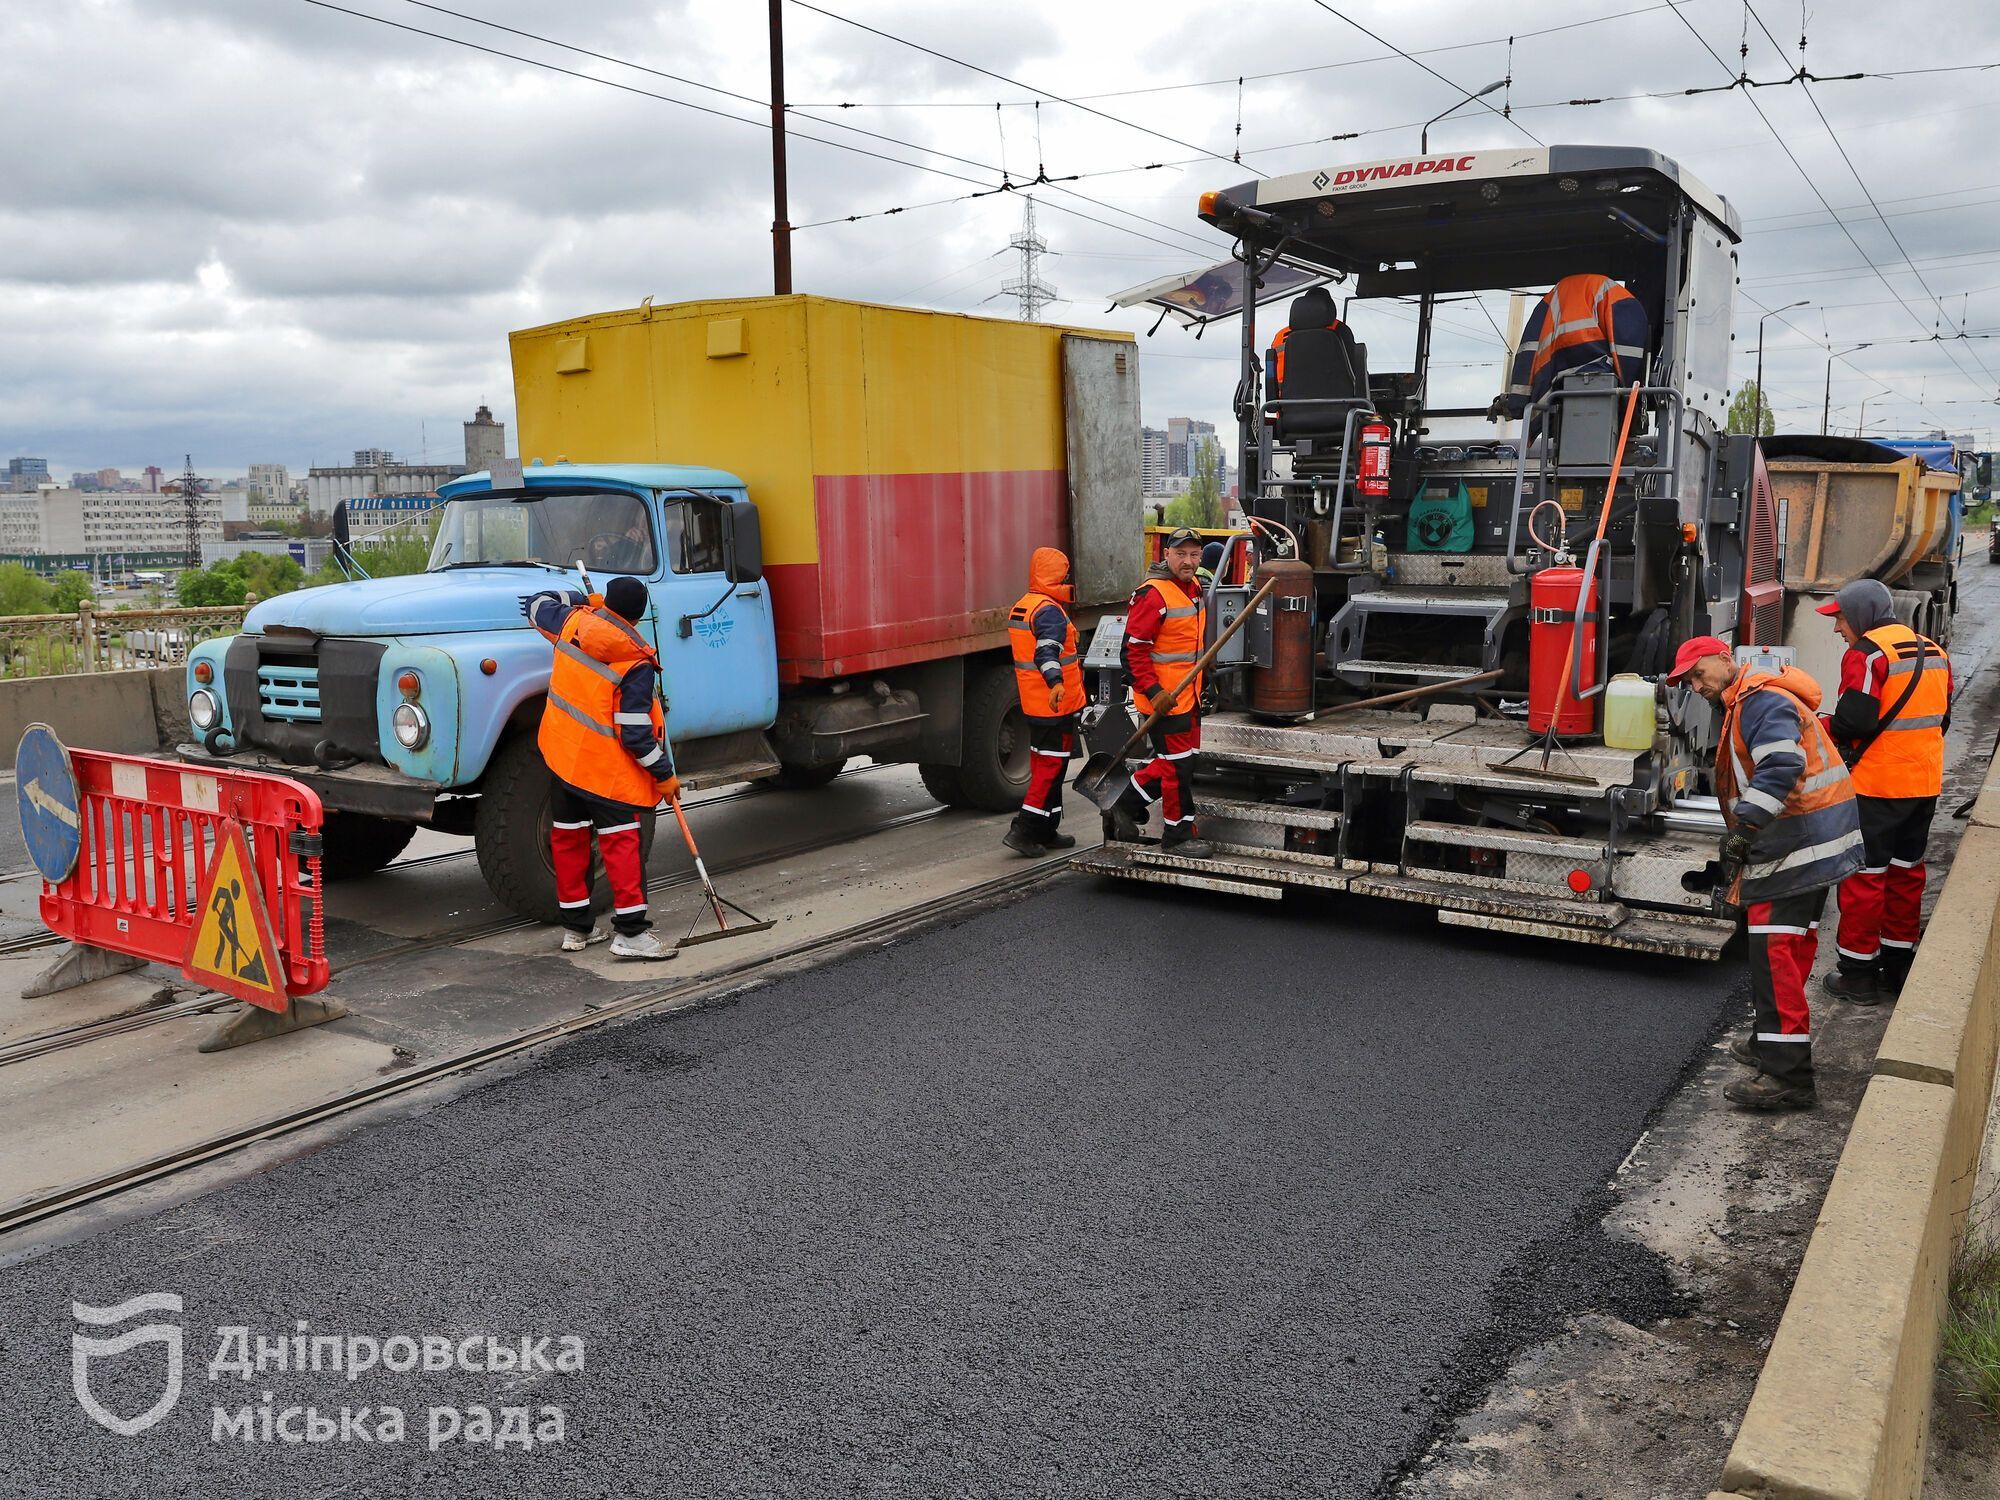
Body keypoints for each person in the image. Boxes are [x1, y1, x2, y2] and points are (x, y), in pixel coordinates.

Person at [1667, 636, 1863, 1110]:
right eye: (1688, 682)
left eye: (1699, 674)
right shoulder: (1748, 700)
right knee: (1788, 950)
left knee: (1774, 954)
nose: (1696, 686)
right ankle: (1771, 1042)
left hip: (1796, 845)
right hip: (1809, 842)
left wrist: (1745, 828)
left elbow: (1781, 766)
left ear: (1724, 659)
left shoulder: (1760, 701)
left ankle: (1788, 1075)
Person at [526, 575, 680, 959]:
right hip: (605, 773)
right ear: (638, 616)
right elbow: (635, 733)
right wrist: (663, 774)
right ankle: (631, 935)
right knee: (622, 845)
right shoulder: (635, 660)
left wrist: (580, 598)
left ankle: (576, 929)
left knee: (569, 840)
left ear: (606, 602)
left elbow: (535, 603)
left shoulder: (573, 622)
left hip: (563, 760)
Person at [1816, 579, 1952, 1004]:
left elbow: (1854, 722)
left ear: (1861, 614)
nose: (1838, 628)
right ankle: (1898, 966)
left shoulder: (1868, 654)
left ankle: (1857, 975)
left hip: (1876, 788)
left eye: (1840, 618)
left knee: (1864, 878)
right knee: (1906, 874)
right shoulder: (1935, 652)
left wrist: (1818, 724)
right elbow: (1941, 719)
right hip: (1924, 785)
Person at [1107, 526, 1211, 858]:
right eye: (1180, 554)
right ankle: (1178, 836)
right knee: (1178, 768)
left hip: (1189, 696)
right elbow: (1132, 652)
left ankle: (1124, 802)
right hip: (1164, 701)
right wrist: (1154, 693)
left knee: (1182, 762)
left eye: (1194, 554)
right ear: (1166, 555)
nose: (1188, 561)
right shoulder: (1152, 595)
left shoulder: (1194, 587)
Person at [1002, 547, 1084, 857]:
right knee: (1050, 768)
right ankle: (1023, 831)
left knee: (1047, 765)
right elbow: (1046, 652)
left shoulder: (1026, 605)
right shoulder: (1049, 611)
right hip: (1054, 705)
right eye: (1065, 573)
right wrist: (1056, 683)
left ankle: (1047, 829)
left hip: (1034, 703)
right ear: (1057, 575)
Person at [1489, 273, 1650, 421]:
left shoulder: (1550, 300)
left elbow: (1527, 353)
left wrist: (1517, 404)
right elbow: (1629, 358)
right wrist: (1630, 404)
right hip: (1597, 377)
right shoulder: (1623, 302)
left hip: (1561, 378)